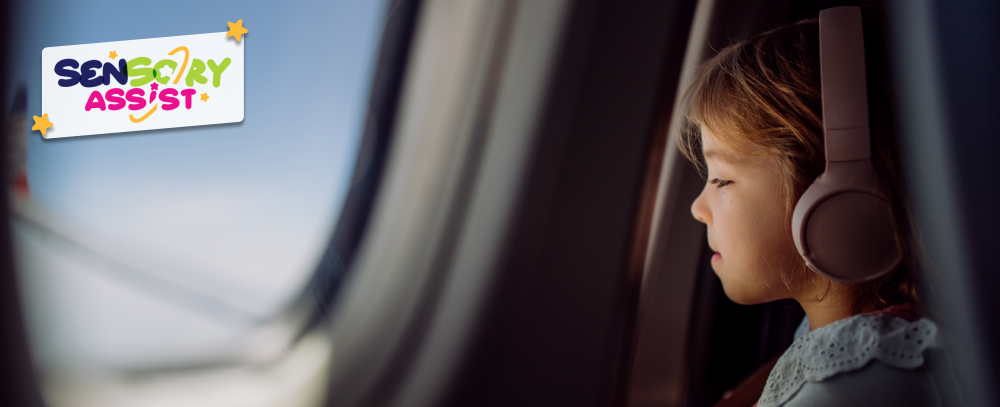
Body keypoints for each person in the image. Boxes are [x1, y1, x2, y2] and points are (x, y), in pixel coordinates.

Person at [678, 17, 944, 406]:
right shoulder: (842, 342)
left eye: (721, 179)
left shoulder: (852, 388)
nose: (697, 209)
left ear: (840, 197)